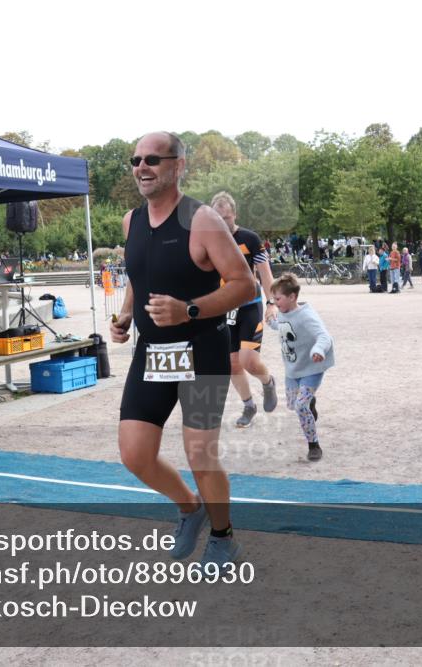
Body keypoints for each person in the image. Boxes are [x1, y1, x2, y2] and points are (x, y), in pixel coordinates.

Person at [110, 131, 254, 567]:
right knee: (134, 454)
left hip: (203, 349)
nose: (142, 168)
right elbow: (140, 274)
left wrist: (189, 310)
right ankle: (190, 509)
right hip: (152, 351)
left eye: (153, 159)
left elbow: (244, 285)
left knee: (199, 453)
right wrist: (124, 314)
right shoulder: (131, 222)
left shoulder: (203, 221)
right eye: (135, 160)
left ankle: (223, 537)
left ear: (178, 165)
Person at [210, 191, 278, 428]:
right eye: (218, 219)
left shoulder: (249, 238)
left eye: (226, 218)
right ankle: (249, 405)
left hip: (249, 305)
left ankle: (268, 382)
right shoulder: (208, 241)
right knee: (232, 363)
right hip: (225, 309)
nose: (223, 224)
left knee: (249, 360)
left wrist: (271, 303)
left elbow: (266, 272)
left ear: (234, 215)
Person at [270, 273, 334, 462]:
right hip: (293, 369)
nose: (275, 302)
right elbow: (282, 325)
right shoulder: (282, 312)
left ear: (292, 297)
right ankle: (310, 402)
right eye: (274, 299)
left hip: (312, 368)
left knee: (300, 406)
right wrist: (272, 322)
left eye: (278, 299)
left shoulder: (306, 316)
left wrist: (318, 349)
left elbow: (325, 336)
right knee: (293, 404)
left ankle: (314, 445)